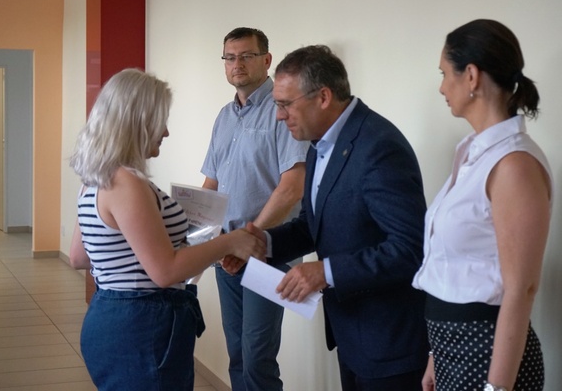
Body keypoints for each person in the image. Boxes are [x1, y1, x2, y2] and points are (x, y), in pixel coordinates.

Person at [68, 68, 265, 391]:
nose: (166, 132)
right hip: (142, 325)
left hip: (109, 316)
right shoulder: (127, 183)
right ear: (138, 121)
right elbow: (164, 272)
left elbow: (79, 256)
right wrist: (230, 242)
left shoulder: (95, 178)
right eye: (161, 121)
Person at [250, 44, 429, 391]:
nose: (279, 116)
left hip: (389, 345)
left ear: (323, 97)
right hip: (351, 335)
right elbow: (313, 226)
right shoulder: (319, 144)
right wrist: (262, 243)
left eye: (285, 104)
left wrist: (325, 272)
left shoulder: (378, 147)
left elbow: (411, 249)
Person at [412, 19, 551, 391]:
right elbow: (454, 269)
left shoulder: (514, 165)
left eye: (444, 73)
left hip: (486, 355)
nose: (442, 86)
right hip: (452, 350)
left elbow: (521, 288)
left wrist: (497, 388)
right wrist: (435, 355)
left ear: (471, 76)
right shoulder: (472, 153)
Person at [201, 27, 308, 391]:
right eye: (230, 57)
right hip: (226, 252)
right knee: (237, 354)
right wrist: (199, 235)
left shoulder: (282, 110)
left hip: (268, 252)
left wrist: (249, 240)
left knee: (258, 356)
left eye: (247, 56)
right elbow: (211, 184)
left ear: (266, 60)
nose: (238, 64)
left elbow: (292, 187)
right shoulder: (224, 117)